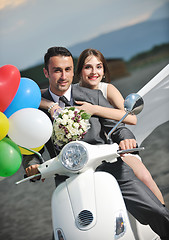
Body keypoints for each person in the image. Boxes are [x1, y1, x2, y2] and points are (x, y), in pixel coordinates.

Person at [23, 46, 169, 239]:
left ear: (73, 70)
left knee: (157, 212)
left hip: (111, 169)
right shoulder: (36, 107)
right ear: (46, 72)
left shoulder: (92, 96)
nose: (63, 76)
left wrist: (126, 139)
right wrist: (32, 165)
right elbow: (31, 143)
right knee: (64, 233)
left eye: (67, 69)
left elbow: (116, 127)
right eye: (57, 70)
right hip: (67, 178)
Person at [40, 48, 164, 205]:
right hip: (87, 155)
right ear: (78, 71)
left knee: (143, 176)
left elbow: (131, 119)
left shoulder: (106, 89)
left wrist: (94, 109)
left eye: (99, 67)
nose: (94, 72)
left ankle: (162, 212)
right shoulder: (71, 91)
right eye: (88, 67)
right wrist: (50, 105)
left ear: (104, 70)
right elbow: (37, 95)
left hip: (116, 145)